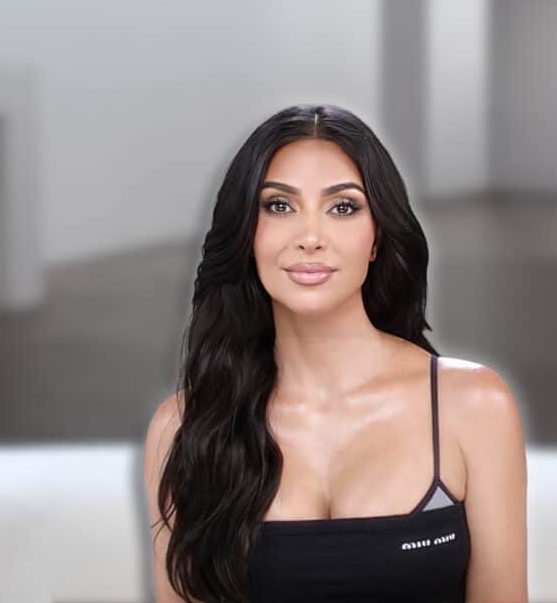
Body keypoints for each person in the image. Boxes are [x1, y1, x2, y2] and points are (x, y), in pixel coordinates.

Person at [143, 104, 527, 603]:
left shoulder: (472, 406)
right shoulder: (183, 428)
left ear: (377, 237)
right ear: (246, 235)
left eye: (343, 207)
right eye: (279, 206)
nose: (310, 238)